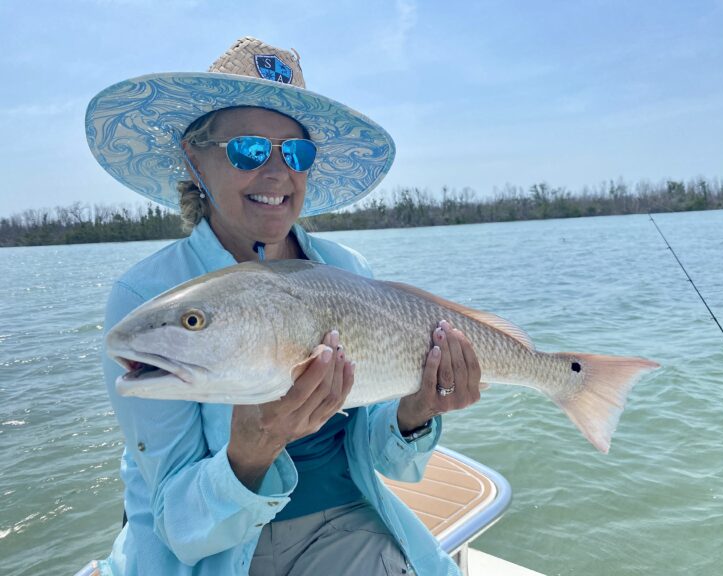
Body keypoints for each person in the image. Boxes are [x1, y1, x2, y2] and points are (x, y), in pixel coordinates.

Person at [88, 37, 481, 576]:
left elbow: (388, 460)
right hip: (223, 552)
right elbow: (178, 525)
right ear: (194, 158)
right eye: (249, 150)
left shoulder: (347, 268)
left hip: (348, 522)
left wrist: (417, 413)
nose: (277, 173)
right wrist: (253, 449)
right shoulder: (145, 297)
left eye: (296, 153)